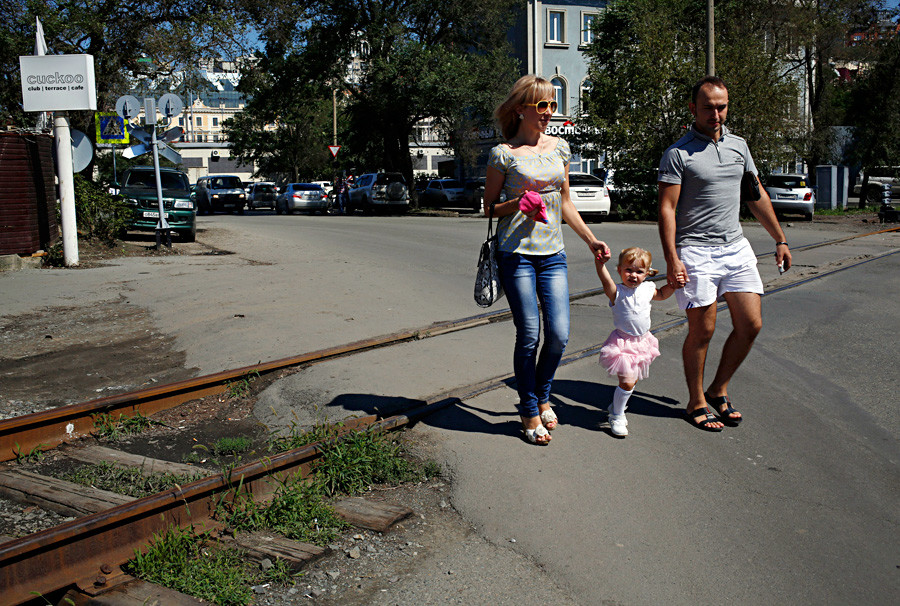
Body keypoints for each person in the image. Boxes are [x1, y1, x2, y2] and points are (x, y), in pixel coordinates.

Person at [657, 75, 792, 432]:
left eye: (722, 107)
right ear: (692, 109)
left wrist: (779, 238)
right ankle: (696, 400)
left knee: (751, 324)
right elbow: (667, 209)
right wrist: (672, 258)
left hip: (735, 246)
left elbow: (755, 193)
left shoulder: (739, 146)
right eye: (709, 108)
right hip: (695, 250)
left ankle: (719, 388)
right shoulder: (678, 153)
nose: (716, 114)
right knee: (703, 330)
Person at [483, 75, 612, 445]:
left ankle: (542, 396)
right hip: (516, 255)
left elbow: (566, 202)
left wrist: (591, 240)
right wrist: (516, 204)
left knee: (558, 334)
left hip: (552, 254)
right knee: (529, 335)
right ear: (520, 108)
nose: (548, 113)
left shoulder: (560, 149)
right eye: (541, 106)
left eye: (552, 106)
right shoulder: (503, 154)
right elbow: (487, 207)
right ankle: (528, 409)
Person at [595, 247, 680, 437]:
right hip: (622, 344)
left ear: (647, 273)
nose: (633, 275)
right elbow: (605, 280)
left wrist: (673, 285)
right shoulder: (617, 292)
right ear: (619, 270)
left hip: (643, 342)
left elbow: (662, 294)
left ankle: (617, 405)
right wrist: (599, 264)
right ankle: (617, 415)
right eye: (628, 270)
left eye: (639, 271)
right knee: (627, 381)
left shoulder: (648, 288)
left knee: (630, 384)